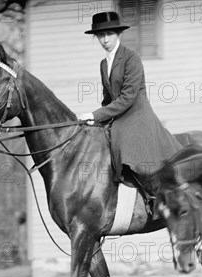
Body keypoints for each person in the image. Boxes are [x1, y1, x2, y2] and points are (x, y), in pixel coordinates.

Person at [81, 11, 181, 215]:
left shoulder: (131, 57)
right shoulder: (103, 64)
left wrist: (95, 114)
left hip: (136, 113)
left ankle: (155, 196)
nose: (105, 40)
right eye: (101, 36)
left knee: (125, 143)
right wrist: (97, 121)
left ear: (118, 34)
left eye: (109, 34)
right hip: (118, 113)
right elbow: (107, 99)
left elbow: (128, 97)